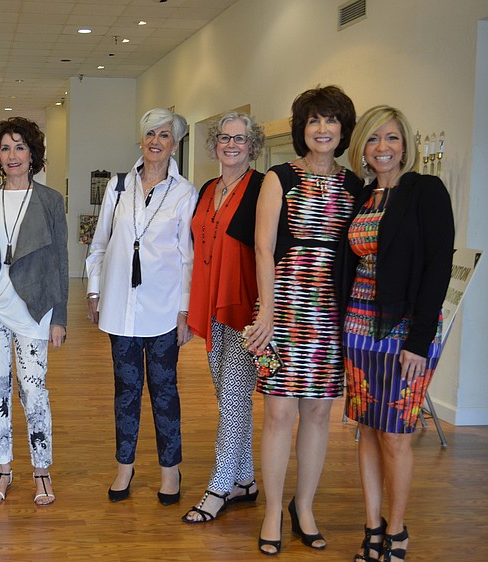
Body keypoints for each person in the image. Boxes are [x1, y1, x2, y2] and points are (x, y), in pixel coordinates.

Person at [243, 86, 362, 555]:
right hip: (284, 303)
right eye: (314, 121)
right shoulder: (279, 177)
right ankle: (273, 510)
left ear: (342, 129)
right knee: (278, 411)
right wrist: (267, 311)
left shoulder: (354, 185)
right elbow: (263, 247)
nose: (323, 129)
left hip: (331, 311)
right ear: (302, 129)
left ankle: (304, 506)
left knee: (317, 412)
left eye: (331, 121)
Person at [341, 106, 454, 562]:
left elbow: (437, 268)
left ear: (405, 144)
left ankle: (398, 530)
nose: (382, 147)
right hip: (357, 327)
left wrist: (419, 341)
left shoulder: (426, 191)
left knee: (396, 435)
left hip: (405, 329)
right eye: (372, 139)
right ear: (362, 149)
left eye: (390, 138)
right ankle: (372, 526)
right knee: (367, 430)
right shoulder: (362, 196)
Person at [86, 108, 197, 507]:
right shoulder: (119, 186)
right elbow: (99, 244)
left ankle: (171, 471)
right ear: (141, 139)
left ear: (175, 143)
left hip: (164, 310)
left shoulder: (185, 193)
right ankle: (125, 466)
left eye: (164, 135)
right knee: (126, 391)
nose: (156, 141)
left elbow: (187, 257)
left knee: (165, 392)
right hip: (121, 308)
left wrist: (185, 312)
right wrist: (95, 291)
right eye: (150, 133)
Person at [0, 116, 67, 507]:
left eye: (20, 147)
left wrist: (59, 316)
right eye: (6, 148)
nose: (12, 155)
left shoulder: (49, 200)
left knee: (34, 391)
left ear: (33, 155)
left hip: (35, 308)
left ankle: (42, 471)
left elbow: (61, 258)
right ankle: (3, 468)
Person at [182, 112, 265, 523]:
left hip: (246, 309)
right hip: (212, 303)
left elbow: (271, 251)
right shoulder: (208, 188)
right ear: (215, 143)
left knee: (233, 399)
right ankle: (245, 481)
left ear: (252, 145)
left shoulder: (264, 187)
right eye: (224, 138)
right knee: (228, 395)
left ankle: (219, 487)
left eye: (240, 139)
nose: (231, 144)